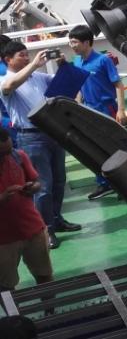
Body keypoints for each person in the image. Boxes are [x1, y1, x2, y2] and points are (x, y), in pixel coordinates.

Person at [1, 41, 79, 249]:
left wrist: (63, 65)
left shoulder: (38, 77)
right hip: (31, 137)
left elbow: (64, 84)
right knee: (43, 186)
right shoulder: (5, 80)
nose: (27, 58)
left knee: (59, 181)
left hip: (53, 133)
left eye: (27, 54)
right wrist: (34, 64)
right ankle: (46, 229)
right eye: (22, 55)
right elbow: (9, 87)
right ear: (8, 59)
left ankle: (56, 219)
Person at [68, 25, 124, 200]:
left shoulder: (103, 60)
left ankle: (124, 185)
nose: (72, 45)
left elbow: (118, 85)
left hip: (106, 109)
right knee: (94, 149)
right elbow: (79, 86)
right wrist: (78, 106)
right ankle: (104, 183)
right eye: (70, 42)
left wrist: (121, 110)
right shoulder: (77, 61)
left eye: (74, 42)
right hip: (88, 110)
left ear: (86, 42)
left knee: (114, 147)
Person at [0, 127, 54, 291]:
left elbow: (37, 182)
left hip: (33, 229)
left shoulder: (19, 156)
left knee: (44, 275)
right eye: (2, 154)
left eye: (9, 151)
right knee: (6, 286)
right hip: (3, 239)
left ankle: (49, 305)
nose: (7, 156)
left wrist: (33, 187)